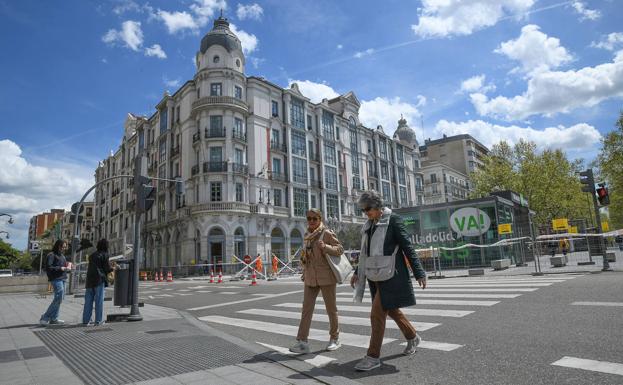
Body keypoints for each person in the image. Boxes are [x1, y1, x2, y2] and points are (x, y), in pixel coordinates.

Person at [350, 190, 427, 371]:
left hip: (391, 275)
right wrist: (357, 271)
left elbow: (408, 247)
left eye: (367, 208)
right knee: (392, 310)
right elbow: (365, 252)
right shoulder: (370, 224)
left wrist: (419, 272)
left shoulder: (394, 220)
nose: (365, 212)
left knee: (376, 314)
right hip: (374, 275)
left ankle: (373, 356)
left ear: (377, 205)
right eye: (363, 210)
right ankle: (413, 336)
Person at [290, 209, 344, 354]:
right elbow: (307, 256)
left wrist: (325, 247)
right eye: (309, 218)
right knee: (306, 310)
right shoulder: (307, 235)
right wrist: (304, 272)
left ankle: (335, 338)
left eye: (314, 218)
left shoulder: (326, 233)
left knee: (331, 310)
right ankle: (302, 342)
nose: (312, 221)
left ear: (320, 219)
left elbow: (340, 249)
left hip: (326, 277)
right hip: (310, 277)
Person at [82, 239, 115, 326]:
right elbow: (107, 268)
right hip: (99, 280)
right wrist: (114, 268)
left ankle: (86, 320)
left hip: (89, 280)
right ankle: (98, 321)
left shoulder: (92, 255)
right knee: (99, 301)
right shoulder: (105, 255)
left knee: (88, 301)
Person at [40, 240, 70, 326]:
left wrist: (68, 267)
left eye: (65, 247)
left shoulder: (62, 256)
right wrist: (60, 268)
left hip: (63, 278)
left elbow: (63, 266)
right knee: (58, 298)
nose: (63, 249)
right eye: (62, 247)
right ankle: (45, 317)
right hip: (56, 279)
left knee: (59, 299)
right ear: (57, 246)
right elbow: (49, 267)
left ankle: (54, 318)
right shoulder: (51, 255)